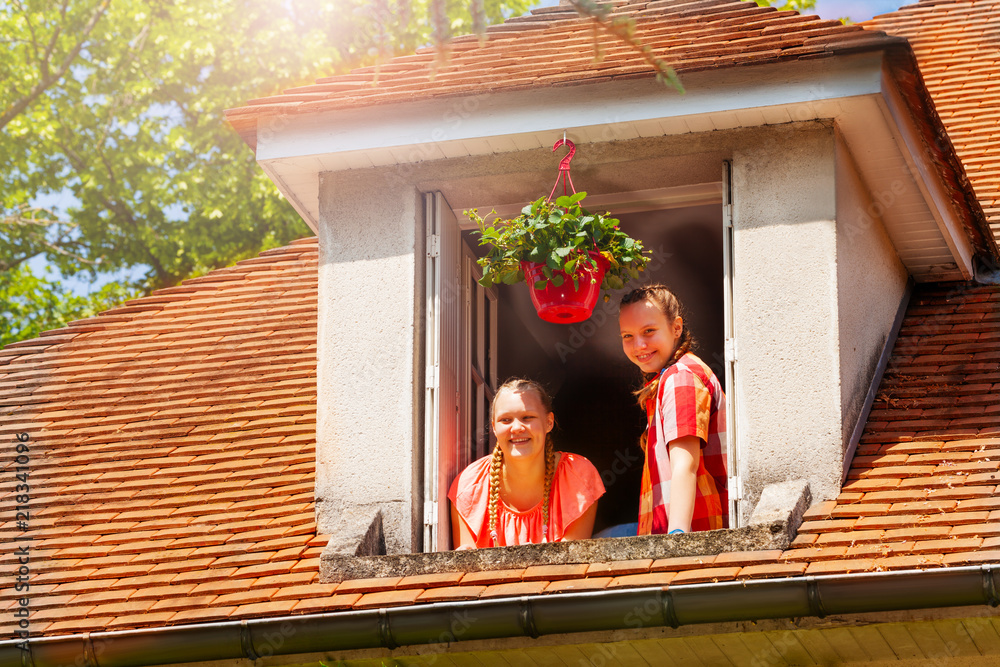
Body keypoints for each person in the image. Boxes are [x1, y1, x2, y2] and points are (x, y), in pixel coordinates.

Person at [618, 284, 728, 536]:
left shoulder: (681, 376)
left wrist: (677, 536)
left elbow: (684, 466)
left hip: (694, 537)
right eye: (627, 336)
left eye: (649, 331)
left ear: (676, 327)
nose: (639, 345)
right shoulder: (669, 377)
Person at [449, 378, 605, 548]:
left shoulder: (577, 476)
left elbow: (571, 565)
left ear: (549, 422)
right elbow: (468, 569)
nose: (516, 428)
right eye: (506, 420)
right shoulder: (469, 485)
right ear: (494, 427)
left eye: (527, 417)